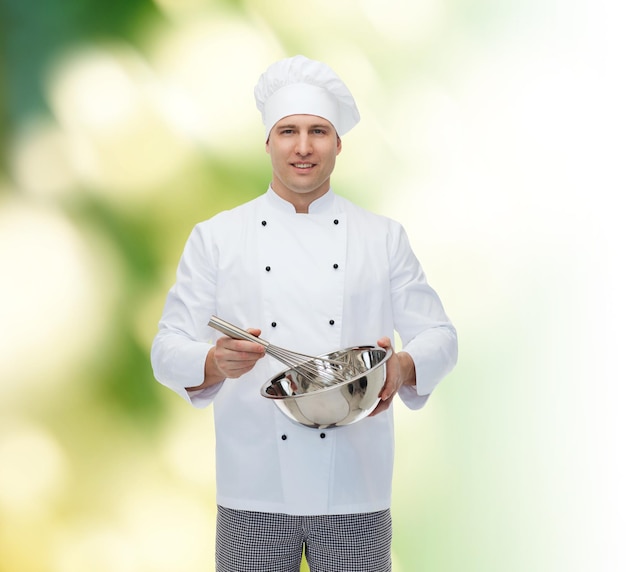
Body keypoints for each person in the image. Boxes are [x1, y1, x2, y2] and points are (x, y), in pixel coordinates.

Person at [151, 55, 458, 572]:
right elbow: (166, 348)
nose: (303, 146)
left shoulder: (382, 238)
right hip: (254, 490)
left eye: (318, 131)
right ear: (267, 141)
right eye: (288, 130)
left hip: (354, 489)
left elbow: (441, 336)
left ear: (338, 143)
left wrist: (402, 367)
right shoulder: (217, 238)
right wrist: (213, 361)